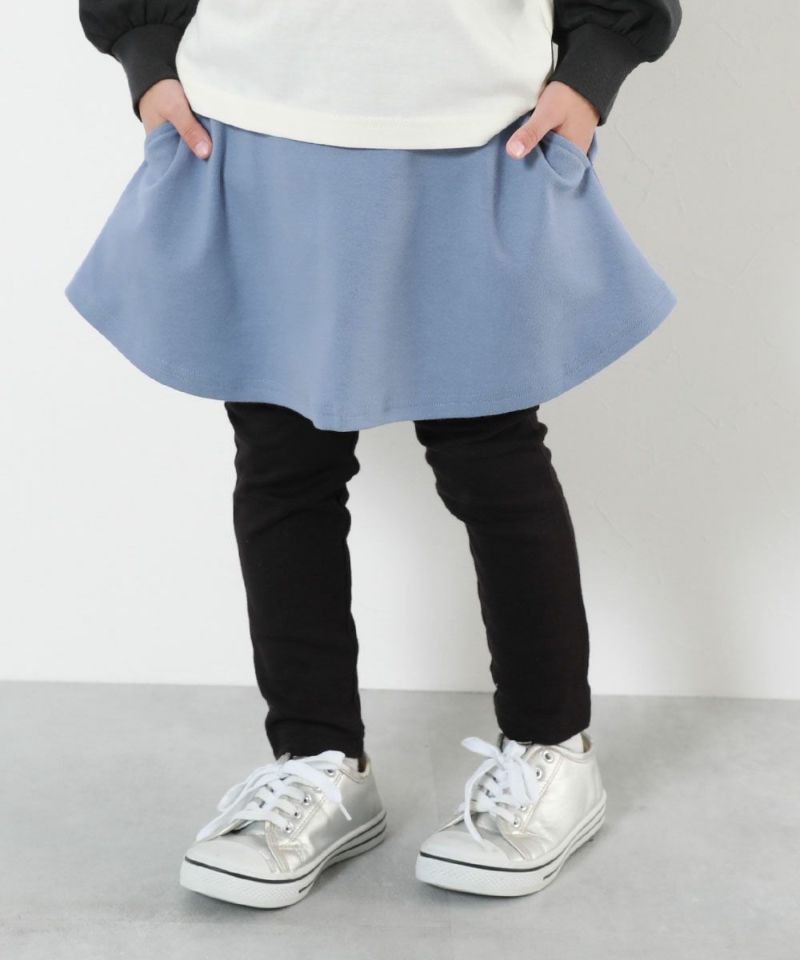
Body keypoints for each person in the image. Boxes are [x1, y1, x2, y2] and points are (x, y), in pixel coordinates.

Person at [69, 0, 682, 907]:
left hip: (478, 122)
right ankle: (316, 759)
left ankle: (551, 748)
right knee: (284, 459)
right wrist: (148, 51)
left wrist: (592, 70)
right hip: (254, 111)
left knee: (491, 459)